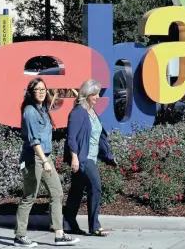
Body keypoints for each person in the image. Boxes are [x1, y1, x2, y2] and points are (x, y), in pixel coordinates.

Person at [14, 77, 80, 247]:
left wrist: (46, 159)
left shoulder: (43, 109)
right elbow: (33, 140)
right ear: (31, 92)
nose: (42, 92)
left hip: (45, 157)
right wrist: (44, 161)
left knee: (57, 193)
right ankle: (20, 236)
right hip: (33, 158)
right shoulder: (29, 111)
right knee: (29, 197)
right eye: (38, 89)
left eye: (44, 89)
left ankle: (59, 234)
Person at [63, 79, 117, 237]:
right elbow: (71, 137)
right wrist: (74, 158)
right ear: (86, 94)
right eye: (95, 93)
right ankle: (94, 226)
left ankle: (68, 223)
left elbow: (99, 137)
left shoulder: (91, 111)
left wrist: (108, 155)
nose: (97, 96)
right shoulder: (78, 112)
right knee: (96, 187)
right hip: (83, 158)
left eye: (98, 93)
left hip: (91, 157)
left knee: (77, 190)